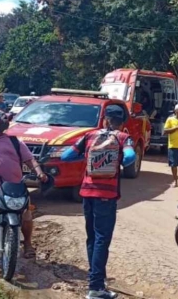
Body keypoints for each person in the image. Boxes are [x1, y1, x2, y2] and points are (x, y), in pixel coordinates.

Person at [61, 105, 136, 299]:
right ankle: (95, 287)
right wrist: (115, 162)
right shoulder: (122, 138)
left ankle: (96, 281)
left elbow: (66, 156)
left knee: (92, 237)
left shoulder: (89, 136)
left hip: (86, 193)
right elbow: (130, 157)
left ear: (104, 118)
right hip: (107, 196)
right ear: (122, 121)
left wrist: (86, 157)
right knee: (103, 239)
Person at [0, 108, 47, 260]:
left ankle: (28, 244)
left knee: (26, 212)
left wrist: (39, 173)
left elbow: (30, 160)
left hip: (13, 186)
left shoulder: (14, 141)